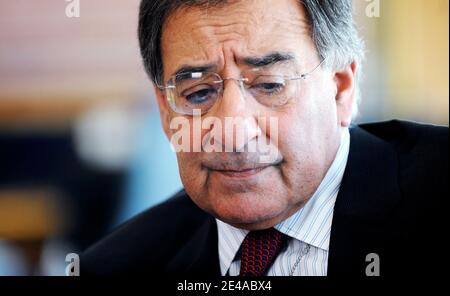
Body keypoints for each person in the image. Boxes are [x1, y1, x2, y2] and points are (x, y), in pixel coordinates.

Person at [81, 0, 448, 276]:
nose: (234, 133)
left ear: (341, 90)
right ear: (165, 111)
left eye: (270, 85)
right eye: (198, 94)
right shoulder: (116, 266)